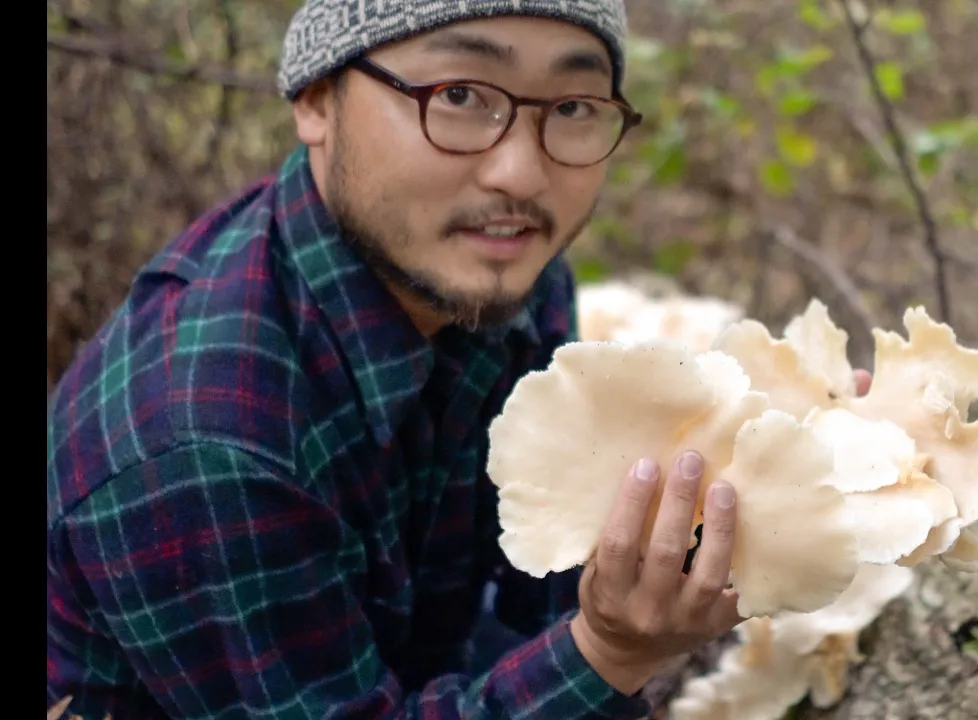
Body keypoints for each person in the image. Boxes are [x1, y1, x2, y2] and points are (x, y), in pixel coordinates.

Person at [46, 1, 874, 718]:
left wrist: (761, 472)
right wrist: (609, 654)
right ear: (317, 97)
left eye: (576, 106)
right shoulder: (205, 446)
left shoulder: (501, 272)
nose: (521, 172)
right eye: (461, 96)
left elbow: (528, 582)